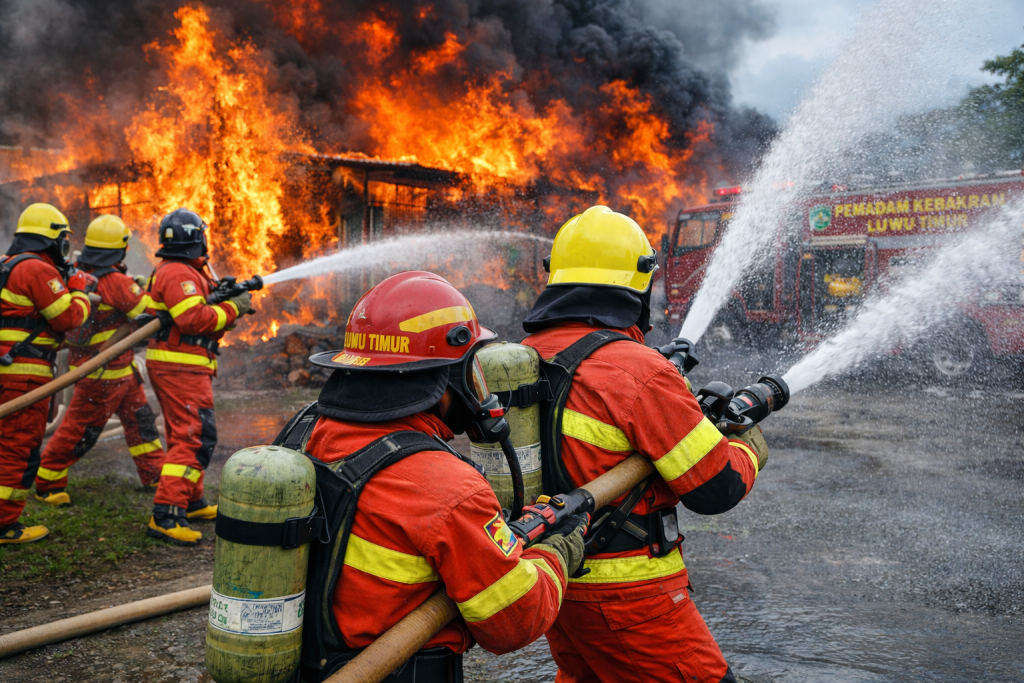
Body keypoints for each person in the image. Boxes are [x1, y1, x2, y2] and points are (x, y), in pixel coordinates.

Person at [280, 271, 587, 683]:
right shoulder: (444, 487)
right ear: (447, 374)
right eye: (471, 367)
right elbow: (514, 620)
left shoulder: (302, 433)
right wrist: (556, 551)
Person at [520, 206, 771, 683]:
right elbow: (716, 489)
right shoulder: (639, 373)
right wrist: (746, 444)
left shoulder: (527, 357)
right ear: (639, 285)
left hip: (556, 580)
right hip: (632, 595)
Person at [34, 215, 164, 507]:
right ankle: (48, 480)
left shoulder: (81, 273)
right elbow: (150, 313)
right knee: (80, 430)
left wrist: (134, 286)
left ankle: (154, 473)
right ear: (119, 249)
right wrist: (142, 290)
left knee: (140, 422)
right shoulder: (115, 281)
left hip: (116, 370)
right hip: (102, 375)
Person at [142, 208, 250, 545]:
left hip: (185, 364)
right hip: (180, 367)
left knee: (184, 434)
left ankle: (191, 500)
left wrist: (228, 301)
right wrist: (235, 307)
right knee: (195, 437)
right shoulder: (177, 273)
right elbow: (193, 319)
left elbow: (211, 316)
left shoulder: (186, 271)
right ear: (196, 237)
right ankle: (166, 514)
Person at [0, 203, 93, 544]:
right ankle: (4, 525)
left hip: (9, 369)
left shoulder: (8, 265)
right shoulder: (38, 270)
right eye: (62, 241)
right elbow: (67, 318)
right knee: (17, 448)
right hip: (23, 375)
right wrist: (79, 288)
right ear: (51, 240)